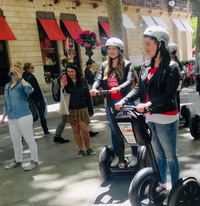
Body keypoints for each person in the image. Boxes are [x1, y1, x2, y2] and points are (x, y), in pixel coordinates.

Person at [115, 26, 181, 193]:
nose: (146, 48)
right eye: (145, 44)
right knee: (158, 155)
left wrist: (148, 105)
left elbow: (169, 96)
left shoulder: (172, 67)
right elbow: (139, 89)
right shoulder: (146, 65)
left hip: (166, 118)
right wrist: (124, 100)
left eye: (148, 44)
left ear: (160, 44)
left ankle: (177, 188)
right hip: (150, 118)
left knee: (171, 155)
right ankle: (162, 184)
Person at [91, 37, 138, 167]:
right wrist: (94, 88)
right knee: (114, 130)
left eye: (114, 48)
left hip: (125, 101)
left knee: (129, 129)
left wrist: (118, 88)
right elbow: (98, 79)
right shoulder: (104, 65)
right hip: (111, 102)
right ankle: (118, 156)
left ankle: (135, 155)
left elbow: (129, 81)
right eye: (109, 48)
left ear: (120, 50)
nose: (111, 51)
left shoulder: (127, 64)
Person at [0, 64, 39, 171]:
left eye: (16, 71)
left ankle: (34, 160)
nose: (13, 73)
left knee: (29, 139)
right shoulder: (7, 86)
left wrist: (21, 78)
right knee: (15, 140)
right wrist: (3, 117)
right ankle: (17, 160)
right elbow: (6, 103)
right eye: (12, 71)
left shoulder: (23, 84)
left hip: (24, 115)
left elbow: (30, 90)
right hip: (12, 117)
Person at [61, 64, 95, 157]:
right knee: (75, 130)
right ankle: (80, 149)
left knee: (84, 130)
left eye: (72, 71)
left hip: (82, 108)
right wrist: (62, 88)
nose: (70, 73)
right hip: (71, 109)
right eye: (68, 72)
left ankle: (88, 148)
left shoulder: (83, 81)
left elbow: (88, 97)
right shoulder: (65, 82)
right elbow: (57, 96)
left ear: (76, 71)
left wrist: (91, 110)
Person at [22, 63, 50, 135]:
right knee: (41, 115)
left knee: (32, 116)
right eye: (32, 67)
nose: (33, 68)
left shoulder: (24, 76)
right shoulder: (30, 77)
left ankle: (24, 133)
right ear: (28, 69)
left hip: (29, 99)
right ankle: (45, 130)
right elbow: (35, 89)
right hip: (36, 99)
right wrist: (39, 99)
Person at [54, 58, 71, 144]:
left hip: (65, 97)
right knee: (65, 118)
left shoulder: (62, 73)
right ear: (65, 64)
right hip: (67, 98)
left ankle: (57, 135)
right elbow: (67, 86)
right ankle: (57, 135)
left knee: (66, 117)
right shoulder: (64, 74)